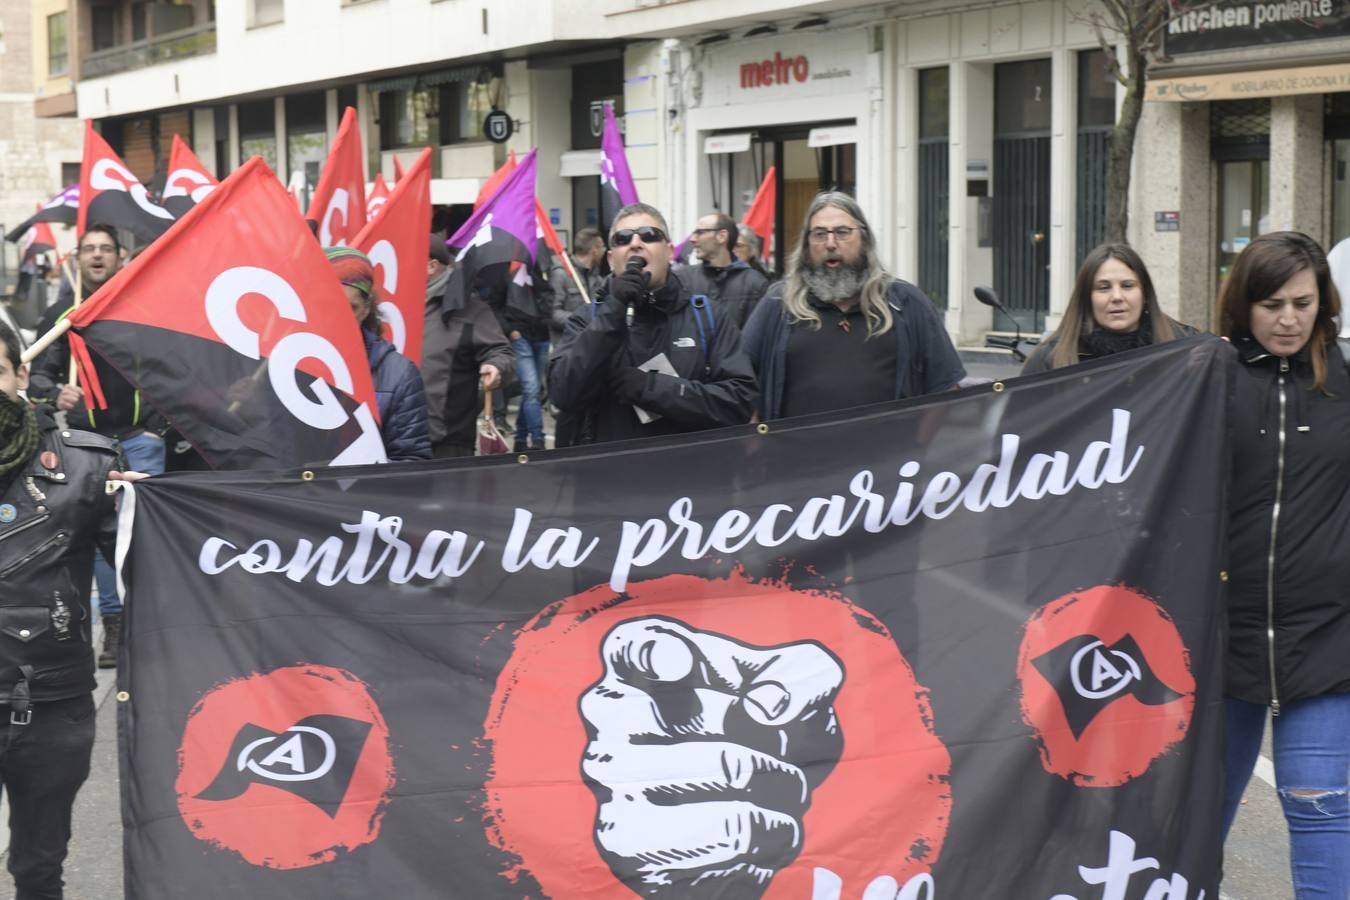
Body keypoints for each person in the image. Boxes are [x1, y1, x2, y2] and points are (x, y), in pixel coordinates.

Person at [1217, 232, 1350, 900]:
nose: (1289, 319)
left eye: (1303, 303)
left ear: (1325, 304)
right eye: (1272, 304)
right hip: (1221, 648)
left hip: (1325, 648)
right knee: (1194, 825)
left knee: (1323, 819)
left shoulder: (1347, 386)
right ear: (1244, 305)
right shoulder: (1208, 383)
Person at [0, 319, 120, 899]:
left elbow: (154, 568)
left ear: (21, 375)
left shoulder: (87, 465)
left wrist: (150, 511)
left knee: (39, 867)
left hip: (49, 704)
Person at [27, 225, 166, 668]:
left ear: (121, 256)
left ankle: (159, 625)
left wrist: (157, 428)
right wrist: (54, 396)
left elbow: (170, 372)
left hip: (140, 441)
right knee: (102, 535)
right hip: (87, 446)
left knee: (148, 535)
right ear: (78, 258)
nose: (98, 256)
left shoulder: (142, 312)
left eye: (106, 249)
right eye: (89, 249)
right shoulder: (61, 315)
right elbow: (37, 376)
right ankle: (115, 626)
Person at [741, 192, 965, 421]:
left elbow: (945, 389)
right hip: (794, 455)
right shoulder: (778, 304)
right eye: (819, 234)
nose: (830, 243)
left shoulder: (906, 302)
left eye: (842, 232)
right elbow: (741, 384)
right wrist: (756, 446)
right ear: (807, 245)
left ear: (864, 239)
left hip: (886, 455)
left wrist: (916, 447)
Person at [549, 202, 758, 444]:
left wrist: (652, 388)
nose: (635, 244)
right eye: (623, 239)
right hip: (608, 475)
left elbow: (739, 403)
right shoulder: (588, 319)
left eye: (649, 235)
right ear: (611, 259)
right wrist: (613, 310)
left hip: (690, 475)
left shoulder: (707, 316)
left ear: (669, 251)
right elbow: (562, 394)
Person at [324, 247, 431, 461]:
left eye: (350, 308)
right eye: (329, 305)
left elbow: (412, 462)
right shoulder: (280, 361)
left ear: (365, 310)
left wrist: (354, 473)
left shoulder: (399, 375)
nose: (339, 317)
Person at [1021, 242, 1194, 374]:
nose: (1117, 297)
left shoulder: (1186, 347)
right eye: (1103, 288)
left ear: (1145, 294)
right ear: (1087, 297)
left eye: (1127, 285)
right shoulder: (1051, 359)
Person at [421, 235, 514, 458]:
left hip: (447, 442)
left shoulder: (470, 309)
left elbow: (501, 352)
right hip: (395, 437)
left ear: (431, 266)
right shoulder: (393, 304)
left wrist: (495, 366)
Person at [682, 211, 769, 329]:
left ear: (722, 236)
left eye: (700, 232)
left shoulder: (756, 283)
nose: (692, 239)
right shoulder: (683, 279)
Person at [549, 228, 605, 347]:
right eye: (603, 247)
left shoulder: (598, 279)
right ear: (595, 250)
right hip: (567, 347)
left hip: (591, 346)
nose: (604, 251)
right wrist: (582, 317)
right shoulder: (561, 274)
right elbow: (553, 314)